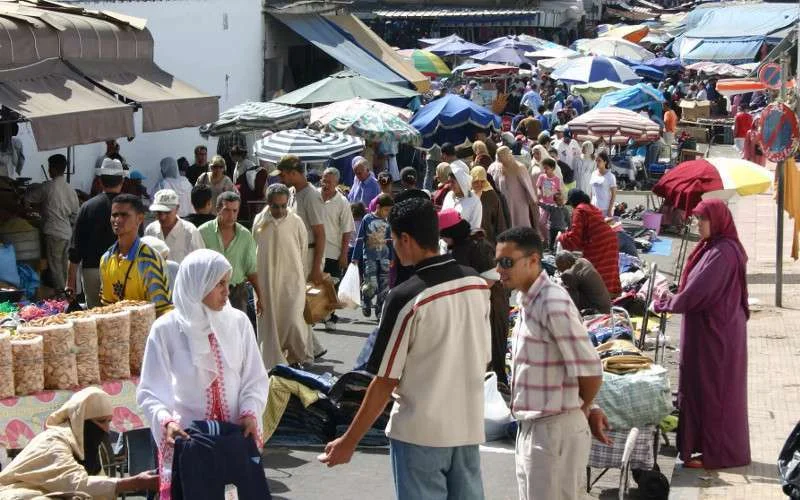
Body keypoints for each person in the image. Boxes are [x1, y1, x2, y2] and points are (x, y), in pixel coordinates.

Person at [320, 198, 491, 500]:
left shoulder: (407, 297)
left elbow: (385, 380)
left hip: (420, 433)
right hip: (467, 427)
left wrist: (349, 441)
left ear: (406, 240)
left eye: (393, 240)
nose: (393, 248)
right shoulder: (475, 284)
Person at [137, 249, 269, 499]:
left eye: (227, 283)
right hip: (190, 444)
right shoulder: (166, 329)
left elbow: (254, 377)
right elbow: (150, 391)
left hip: (234, 439)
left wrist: (250, 412)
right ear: (197, 283)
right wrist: (167, 422)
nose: (226, 291)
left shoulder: (238, 322)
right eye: (219, 283)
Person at [494, 227, 603, 500]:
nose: (499, 270)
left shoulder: (552, 301)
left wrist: (583, 407)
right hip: (536, 428)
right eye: (497, 262)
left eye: (507, 262)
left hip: (553, 431)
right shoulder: (527, 299)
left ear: (533, 260)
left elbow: (589, 369)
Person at [654, 199, 750, 469]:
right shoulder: (713, 247)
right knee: (700, 389)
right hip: (710, 331)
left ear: (717, 221)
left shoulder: (723, 252)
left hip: (715, 335)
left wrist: (667, 302)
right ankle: (702, 448)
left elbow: (698, 293)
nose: (697, 224)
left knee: (714, 393)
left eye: (702, 219)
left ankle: (715, 453)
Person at [0, 387, 158, 499]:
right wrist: (135, 482)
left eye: (109, 422)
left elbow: (95, 488)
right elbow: (76, 484)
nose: (106, 430)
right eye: (101, 421)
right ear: (80, 420)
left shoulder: (84, 447)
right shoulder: (53, 442)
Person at [439, 209, 508, 387]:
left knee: (491, 344)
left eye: (445, 236)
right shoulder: (459, 246)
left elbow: (491, 278)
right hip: (474, 304)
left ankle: (497, 383)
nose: (444, 240)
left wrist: (468, 297)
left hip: (490, 303)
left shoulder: (478, 246)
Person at [254, 184, 313, 368]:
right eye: (275, 206)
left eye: (283, 205)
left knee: (294, 321)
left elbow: (303, 251)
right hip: (267, 282)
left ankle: (296, 358)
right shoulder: (260, 222)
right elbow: (254, 252)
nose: (279, 210)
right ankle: (274, 363)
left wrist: (305, 278)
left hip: (292, 281)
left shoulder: (296, 222)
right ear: (268, 203)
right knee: (271, 323)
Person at [99, 194, 172, 316]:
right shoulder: (106, 259)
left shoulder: (149, 260)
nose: (117, 220)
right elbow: (107, 307)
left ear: (140, 218)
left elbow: (162, 310)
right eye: (114, 215)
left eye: (124, 215)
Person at [67, 159, 125, 308]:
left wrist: (70, 283)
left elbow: (75, 250)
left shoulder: (87, 207)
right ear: (122, 180)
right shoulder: (130, 207)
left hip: (92, 271)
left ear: (99, 181)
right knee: (121, 317)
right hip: (123, 270)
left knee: (95, 318)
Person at [198, 191, 262, 317]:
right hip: (209, 291)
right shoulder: (203, 232)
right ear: (217, 210)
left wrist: (260, 297)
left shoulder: (245, 236)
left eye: (235, 211)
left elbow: (252, 270)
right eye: (227, 210)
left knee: (236, 332)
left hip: (237, 293)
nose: (231, 215)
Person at [24, 154, 79, 291]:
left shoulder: (48, 187)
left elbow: (28, 198)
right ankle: (69, 294)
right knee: (65, 267)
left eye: (49, 167)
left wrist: (30, 208)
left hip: (53, 232)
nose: (49, 170)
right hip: (67, 232)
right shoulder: (70, 189)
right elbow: (75, 213)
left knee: (55, 268)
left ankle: (62, 296)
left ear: (53, 169)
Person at [558, 190, 621, 296]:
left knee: (594, 271)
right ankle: (610, 294)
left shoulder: (579, 210)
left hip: (599, 242)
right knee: (609, 269)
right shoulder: (592, 208)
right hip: (610, 239)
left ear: (574, 202)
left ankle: (600, 296)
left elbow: (575, 237)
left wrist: (561, 237)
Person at [319, 167, 356, 329]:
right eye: (323, 180)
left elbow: (347, 230)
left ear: (336, 183)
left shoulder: (342, 202)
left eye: (329, 181)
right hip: (314, 250)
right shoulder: (313, 197)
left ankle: (329, 317)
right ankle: (315, 314)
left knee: (331, 286)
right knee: (313, 285)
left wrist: (344, 254)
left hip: (333, 251)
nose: (325, 184)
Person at [353, 193, 394, 321]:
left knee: (384, 285)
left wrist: (392, 257)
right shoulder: (367, 219)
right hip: (369, 257)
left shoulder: (388, 222)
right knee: (372, 284)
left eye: (389, 210)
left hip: (385, 257)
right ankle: (366, 299)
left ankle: (380, 310)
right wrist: (355, 257)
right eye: (386, 210)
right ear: (378, 206)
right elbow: (360, 239)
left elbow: (390, 241)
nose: (387, 213)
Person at [145, 189, 205, 263]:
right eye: (159, 212)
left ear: (177, 208)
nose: (162, 217)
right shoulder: (150, 230)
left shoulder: (190, 232)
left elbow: (201, 260)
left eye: (167, 212)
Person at [488, 146, 539, 230]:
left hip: (511, 203)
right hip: (511, 203)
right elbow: (527, 185)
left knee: (515, 224)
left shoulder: (518, 167)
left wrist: (533, 200)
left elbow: (528, 186)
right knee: (515, 224)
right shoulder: (500, 167)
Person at [471, 165, 507, 245]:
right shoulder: (468, 195)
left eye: (482, 181)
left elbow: (499, 220)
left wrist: (502, 241)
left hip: (488, 240)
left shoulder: (491, 195)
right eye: (476, 181)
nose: (479, 184)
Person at [443, 160, 482, 232]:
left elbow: (475, 228)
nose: (450, 185)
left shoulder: (474, 201)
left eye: (453, 182)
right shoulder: (449, 196)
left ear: (461, 182)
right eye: (449, 182)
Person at [230, 145, 268, 220]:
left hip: (248, 193)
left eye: (233, 155)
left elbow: (252, 180)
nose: (231, 158)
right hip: (240, 193)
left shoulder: (248, 164)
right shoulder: (238, 164)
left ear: (237, 155)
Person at [589, 151, 617, 217]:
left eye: (599, 161)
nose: (597, 163)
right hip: (594, 207)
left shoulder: (611, 176)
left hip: (605, 209)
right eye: (596, 160)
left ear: (605, 162)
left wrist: (609, 210)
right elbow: (591, 192)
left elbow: (613, 195)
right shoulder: (593, 174)